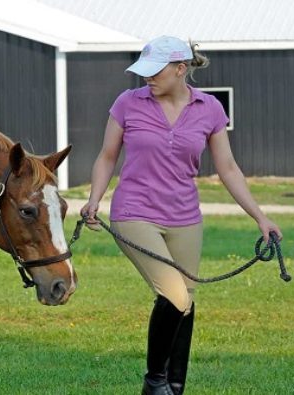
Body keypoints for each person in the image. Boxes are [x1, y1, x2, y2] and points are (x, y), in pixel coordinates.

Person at [79, 36, 283, 395]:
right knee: (175, 296)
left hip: (186, 218)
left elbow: (229, 169)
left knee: (185, 303)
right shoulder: (128, 103)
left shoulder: (209, 109)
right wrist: (94, 199)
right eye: (143, 71)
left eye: (154, 71)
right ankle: (154, 382)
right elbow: (107, 156)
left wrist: (260, 218)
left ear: (180, 69)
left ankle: (175, 386)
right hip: (135, 211)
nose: (147, 78)